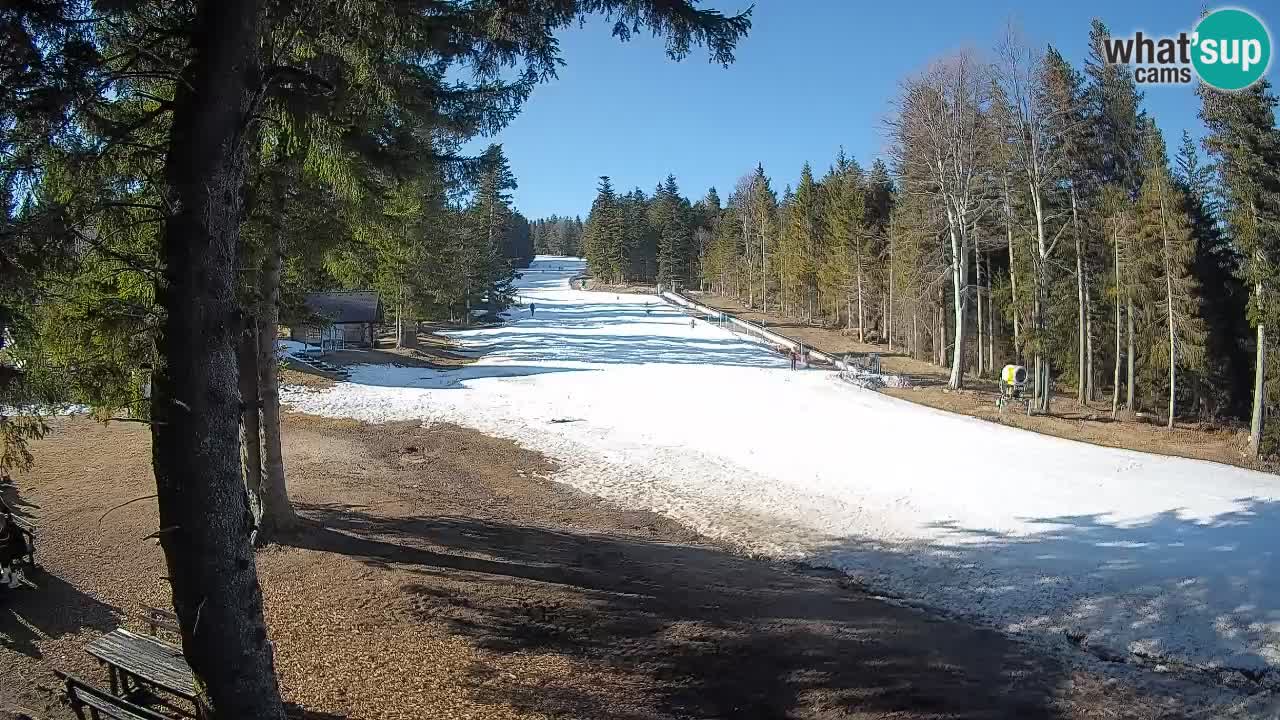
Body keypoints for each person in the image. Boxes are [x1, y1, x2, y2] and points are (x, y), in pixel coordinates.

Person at [0, 502, 28, 589]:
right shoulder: (7, 526)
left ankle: (14, 581)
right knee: (3, 555)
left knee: (6, 556)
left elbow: (9, 541)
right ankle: (6, 576)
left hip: (16, 548)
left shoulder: (10, 528)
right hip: (9, 548)